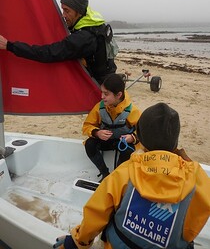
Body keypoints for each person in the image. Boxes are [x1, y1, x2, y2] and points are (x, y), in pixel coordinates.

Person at [53, 102, 210, 249]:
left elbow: (97, 213)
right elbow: (192, 227)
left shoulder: (125, 172)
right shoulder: (197, 177)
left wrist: (76, 241)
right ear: (175, 141)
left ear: (140, 138)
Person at [0, 0, 118, 84]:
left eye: (67, 11)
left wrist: (10, 46)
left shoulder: (83, 38)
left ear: (79, 11)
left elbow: (48, 53)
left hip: (100, 88)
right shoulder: (96, 23)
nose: (63, 15)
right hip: (110, 77)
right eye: (63, 10)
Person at [82, 73, 141, 182]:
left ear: (118, 95)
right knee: (89, 144)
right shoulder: (99, 108)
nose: (102, 97)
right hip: (106, 142)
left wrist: (132, 138)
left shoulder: (133, 111)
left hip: (122, 143)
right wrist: (96, 133)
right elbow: (87, 126)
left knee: (128, 151)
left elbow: (142, 131)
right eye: (102, 92)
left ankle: (117, 177)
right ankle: (105, 173)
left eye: (106, 94)